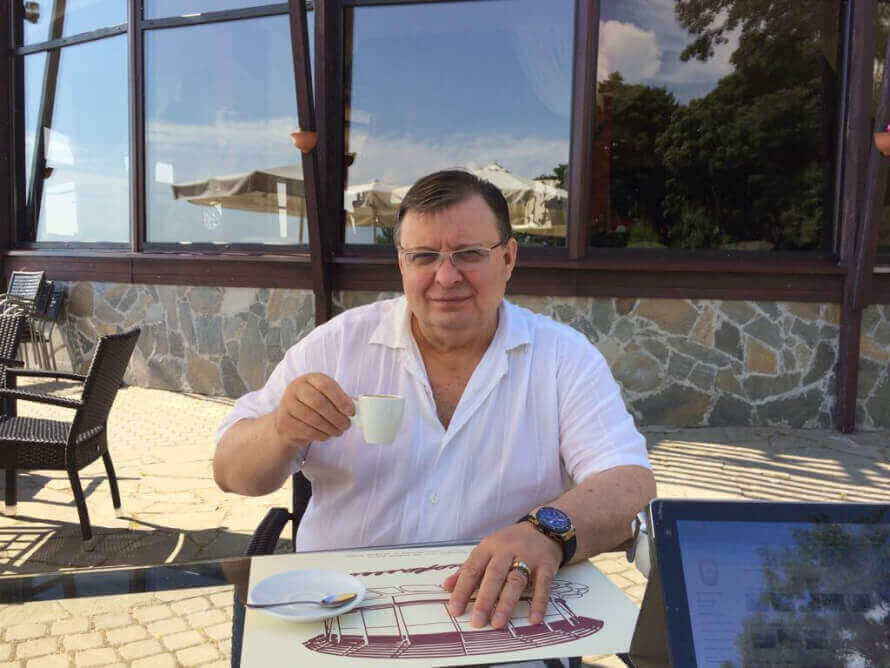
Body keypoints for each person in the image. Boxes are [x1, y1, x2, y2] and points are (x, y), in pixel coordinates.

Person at [214, 169, 656, 631]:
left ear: (508, 258)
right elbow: (230, 472)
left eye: (469, 254)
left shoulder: (564, 357)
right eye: (424, 256)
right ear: (401, 264)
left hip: (504, 621)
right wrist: (280, 430)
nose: (446, 277)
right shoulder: (336, 346)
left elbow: (631, 486)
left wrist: (548, 531)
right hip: (340, 616)